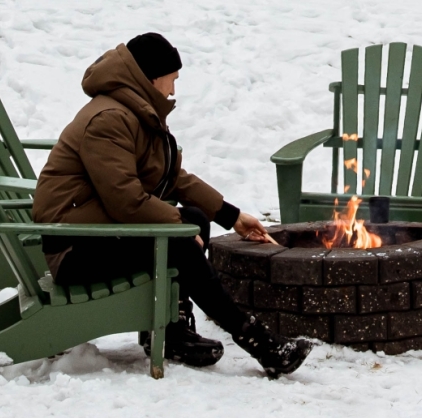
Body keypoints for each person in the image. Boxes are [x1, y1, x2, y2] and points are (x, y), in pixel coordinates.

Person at [32, 33, 312, 378]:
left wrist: (232, 215)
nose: (173, 91)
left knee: (192, 217)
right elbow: (126, 202)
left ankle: (173, 333)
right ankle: (258, 341)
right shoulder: (109, 119)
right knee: (179, 237)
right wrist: (178, 228)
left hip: (97, 234)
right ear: (152, 76)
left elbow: (172, 178)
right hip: (75, 249)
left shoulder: (133, 111)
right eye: (172, 79)